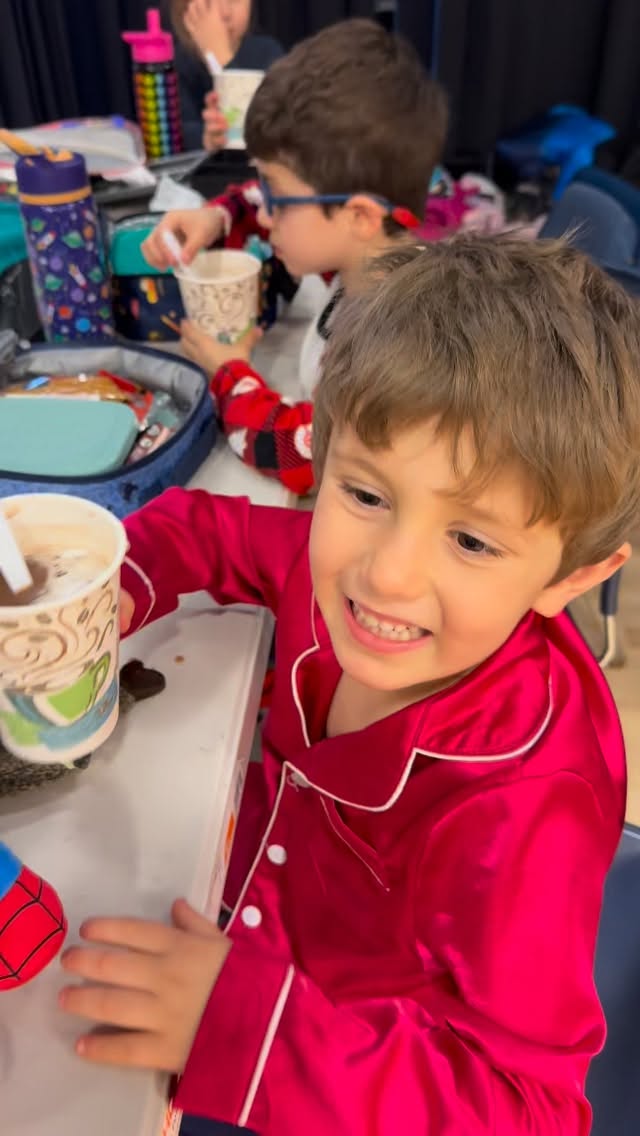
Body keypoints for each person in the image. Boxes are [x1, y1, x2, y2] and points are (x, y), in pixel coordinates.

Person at [59, 234, 640, 1135]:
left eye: (472, 541)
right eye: (366, 495)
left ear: (571, 578)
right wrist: (104, 602)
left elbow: (528, 1112)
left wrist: (252, 1033)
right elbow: (204, 528)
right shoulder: (331, 571)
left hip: (336, 1069)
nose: (386, 575)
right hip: (232, 914)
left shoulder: (527, 805)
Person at [144, 19, 448, 494]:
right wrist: (216, 218)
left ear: (359, 215)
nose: (266, 215)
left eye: (276, 195)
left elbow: (301, 450)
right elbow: (264, 203)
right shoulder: (371, 253)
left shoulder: (400, 342)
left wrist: (229, 371)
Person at [169, 0, 283, 151]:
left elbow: (268, 128)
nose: (225, 14)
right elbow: (178, 132)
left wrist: (221, 58)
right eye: (209, 2)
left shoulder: (268, 52)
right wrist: (206, 138)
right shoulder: (174, 64)